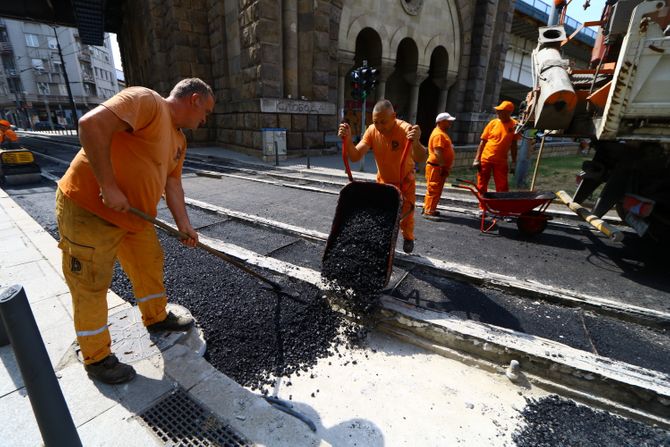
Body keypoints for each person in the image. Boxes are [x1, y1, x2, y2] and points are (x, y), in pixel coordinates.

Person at [55, 78, 215, 384]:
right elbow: (90, 125)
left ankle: (156, 318)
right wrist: (109, 186)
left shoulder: (179, 140)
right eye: (205, 111)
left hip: (134, 218)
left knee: (149, 264)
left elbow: (172, 183)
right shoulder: (146, 102)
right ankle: (97, 357)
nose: (204, 119)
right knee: (90, 283)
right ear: (194, 99)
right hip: (90, 209)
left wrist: (184, 225)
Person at [337, 99, 428, 254]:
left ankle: (408, 237)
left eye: (383, 122)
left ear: (394, 116)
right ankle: (383, 241)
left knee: (406, 214)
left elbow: (420, 157)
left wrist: (417, 141)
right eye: (375, 122)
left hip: (404, 181)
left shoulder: (405, 129)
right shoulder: (372, 130)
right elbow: (355, 156)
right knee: (382, 215)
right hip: (384, 182)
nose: (379, 127)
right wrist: (348, 139)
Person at [472, 100, 520, 194]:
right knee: (481, 184)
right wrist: (477, 159)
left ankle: (501, 207)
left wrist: (514, 162)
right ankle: (483, 207)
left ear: (509, 112)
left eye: (501, 111)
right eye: (498, 110)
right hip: (486, 159)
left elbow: (514, 145)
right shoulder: (492, 123)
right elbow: (483, 142)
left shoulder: (514, 125)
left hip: (501, 161)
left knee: (502, 186)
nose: (498, 112)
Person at [423, 112, 456, 218]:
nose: (450, 123)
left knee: (434, 189)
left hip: (437, 166)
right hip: (436, 167)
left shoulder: (441, 132)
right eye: (448, 121)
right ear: (441, 122)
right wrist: (443, 166)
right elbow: (438, 152)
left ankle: (430, 208)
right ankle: (429, 211)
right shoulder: (439, 134)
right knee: (433, 189)